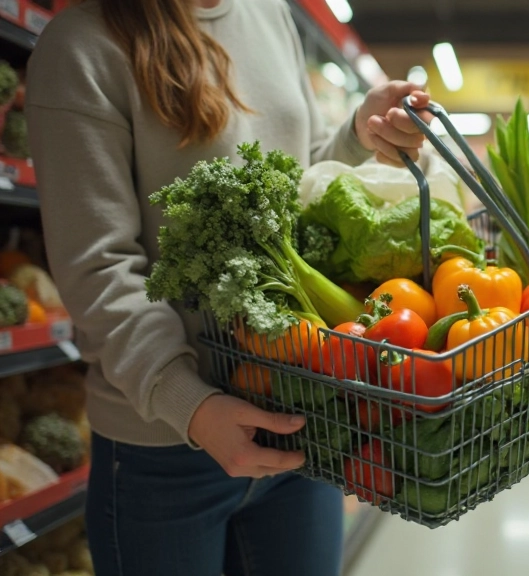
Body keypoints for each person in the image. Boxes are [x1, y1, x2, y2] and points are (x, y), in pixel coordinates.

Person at [25, 0, 428, 574]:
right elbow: (98, 266)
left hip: (298, 412)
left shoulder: (269, 12)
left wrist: (356, 133)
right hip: (162, 451)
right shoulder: (82, 45)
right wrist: (192, 405)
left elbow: (297, 183)